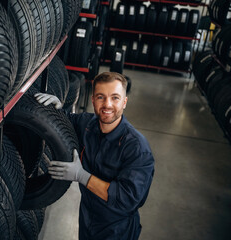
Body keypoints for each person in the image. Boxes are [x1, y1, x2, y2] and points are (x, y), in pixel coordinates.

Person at [34, 72, 155, 240]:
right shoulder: (87, 124)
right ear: (93, 100)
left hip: (116, 229)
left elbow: (126, 198)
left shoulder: (137, 149)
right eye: (101, 97)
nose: (107, 104)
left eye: (115, 98)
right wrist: (57, 110)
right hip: (87, 218)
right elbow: (66, 123)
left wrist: (82, 176)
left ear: (125, 102)